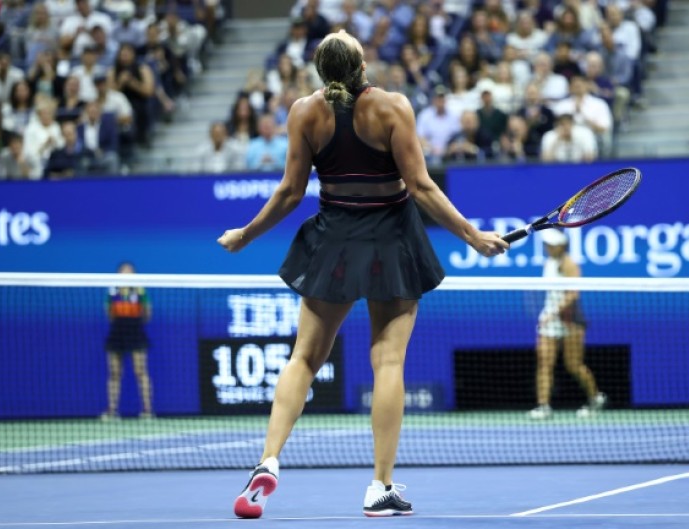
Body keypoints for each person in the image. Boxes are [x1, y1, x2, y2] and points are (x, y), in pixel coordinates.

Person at [217, 29, 508, 519]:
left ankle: (269, 459)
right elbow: (420, 186)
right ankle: (380, 487)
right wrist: (472, 236)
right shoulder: (393, 108)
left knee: (303, 358)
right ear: (361, 64)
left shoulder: (304, 112)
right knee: (388, 363)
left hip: (333, 240)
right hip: (391, 241)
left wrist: (245, 235)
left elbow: (290, 193)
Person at [529, 229, 606, 421]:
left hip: (570, 320)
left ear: (560, 246)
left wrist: (554, 313)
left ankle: (596, 398)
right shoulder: (549, 263)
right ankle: (543, 406)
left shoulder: (569, 264)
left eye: (550, 245)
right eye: (546, 245)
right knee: (544, 363)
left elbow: (573, 294)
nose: (547, 248)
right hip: (549, 319)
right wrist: (548, 314)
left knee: (574, 365)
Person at [102, 261, 154, 421]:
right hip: (117, 333)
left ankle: (147, 410)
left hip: (136, 333)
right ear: (118, 274)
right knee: (114, 373)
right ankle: (112, 410)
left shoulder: (140, 291)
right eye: (123, 271)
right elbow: (108, 314)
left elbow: (147, 313)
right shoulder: (112, 292)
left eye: (130, 271)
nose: (127, 274)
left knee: (141, 372)